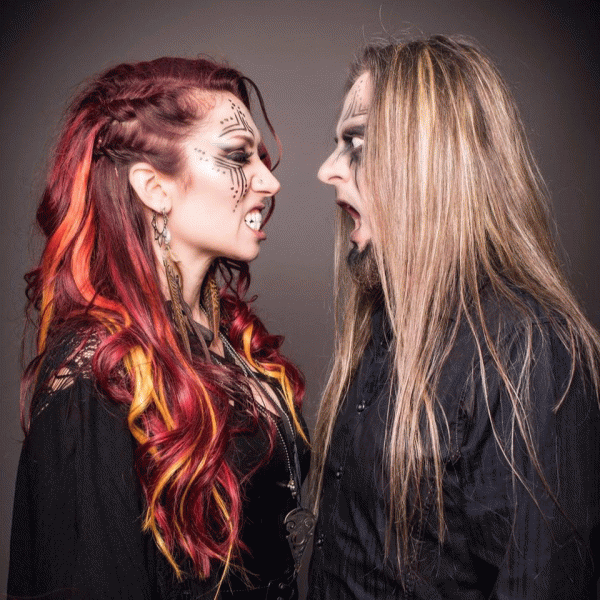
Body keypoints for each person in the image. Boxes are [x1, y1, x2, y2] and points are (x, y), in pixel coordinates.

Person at [308, 36, 600, 599]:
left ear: (431, 159)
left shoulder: (528, 349)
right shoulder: (383, 325)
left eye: (357, 143)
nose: (327, 170)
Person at [8, 57, 311, 600]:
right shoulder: (96, 373)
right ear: (154, 187)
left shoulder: (229, 335)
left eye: (261, 159)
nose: (270, 181)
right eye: (238, 155)